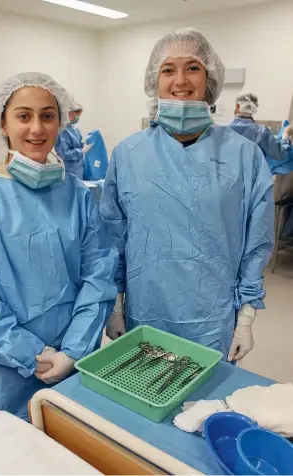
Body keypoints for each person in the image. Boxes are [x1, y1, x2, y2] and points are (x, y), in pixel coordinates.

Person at [0, 72, 118, 425]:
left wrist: (73, 351)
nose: (37, 128)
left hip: (72, 361)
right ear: (3, 123)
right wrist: (31, 354)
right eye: (23, 116)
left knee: (70, 443)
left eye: (47, 116)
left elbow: (98, 276)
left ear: (60, 122)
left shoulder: (78, 196)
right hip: (2, 370)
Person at [100, 29, 274, 362]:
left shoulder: (244, 155)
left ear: (209, 77)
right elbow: (113, 239)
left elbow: (257, 241)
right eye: (168, 69)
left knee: (201, 408)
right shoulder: (127, 154)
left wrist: (247, 317)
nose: (181, 79)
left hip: (211, 319)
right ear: (156, 79)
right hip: (145, 315)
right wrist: (115, 305)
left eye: (192, 67)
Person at [228, 93, 293, 171]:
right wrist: (286, 134)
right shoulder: (261, 132)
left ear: (237, 107)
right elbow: (280, 154)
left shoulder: (223, 132)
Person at [55, 102, 92, 179]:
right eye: (76, 113)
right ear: (68, 113)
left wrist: (86, 143)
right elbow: (64, 154)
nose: (77, 117)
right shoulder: (62, 131)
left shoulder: (75, 130)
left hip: (78, 172)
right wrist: (81, 151)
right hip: (69, 173)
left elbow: (79, 146)